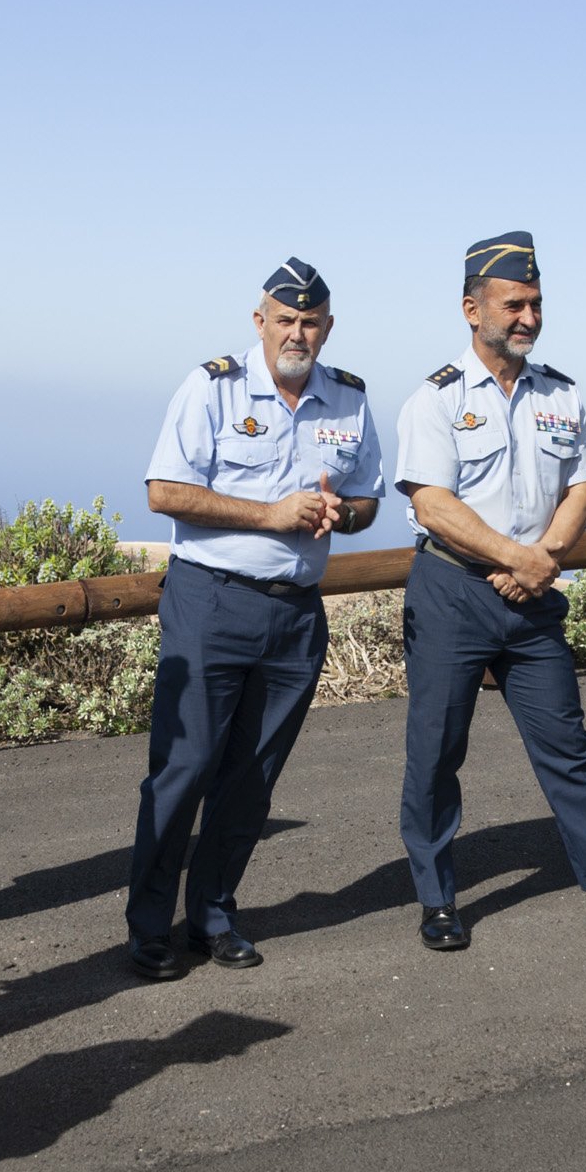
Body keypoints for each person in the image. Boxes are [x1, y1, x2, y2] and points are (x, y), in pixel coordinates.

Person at [395, 232, 586, 947]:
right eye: (513, 304)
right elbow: (433, 504)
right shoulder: (435, 400)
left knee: (567, 745)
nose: (528, 316)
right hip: (454, 592)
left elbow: (581, 488)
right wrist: (517, 558)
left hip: (532, 597)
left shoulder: (561, 393)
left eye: (536, 303)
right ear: (472, 309)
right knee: (436, 751)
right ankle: (437, 898)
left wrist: (541, 560)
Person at [123, 259, 383, 980]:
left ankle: (212, 914)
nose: (298, 333)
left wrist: (343, 514)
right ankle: (149, 926)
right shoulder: (212, 387)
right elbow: (164, 491)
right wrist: (270, 514)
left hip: (295, 614)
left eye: (311, 322)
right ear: (260, 320)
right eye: (286, 319)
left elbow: (368, 499)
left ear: (328, 327)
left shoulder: (349, 398)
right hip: (212, 600)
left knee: (251, 779)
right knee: (184, 769)